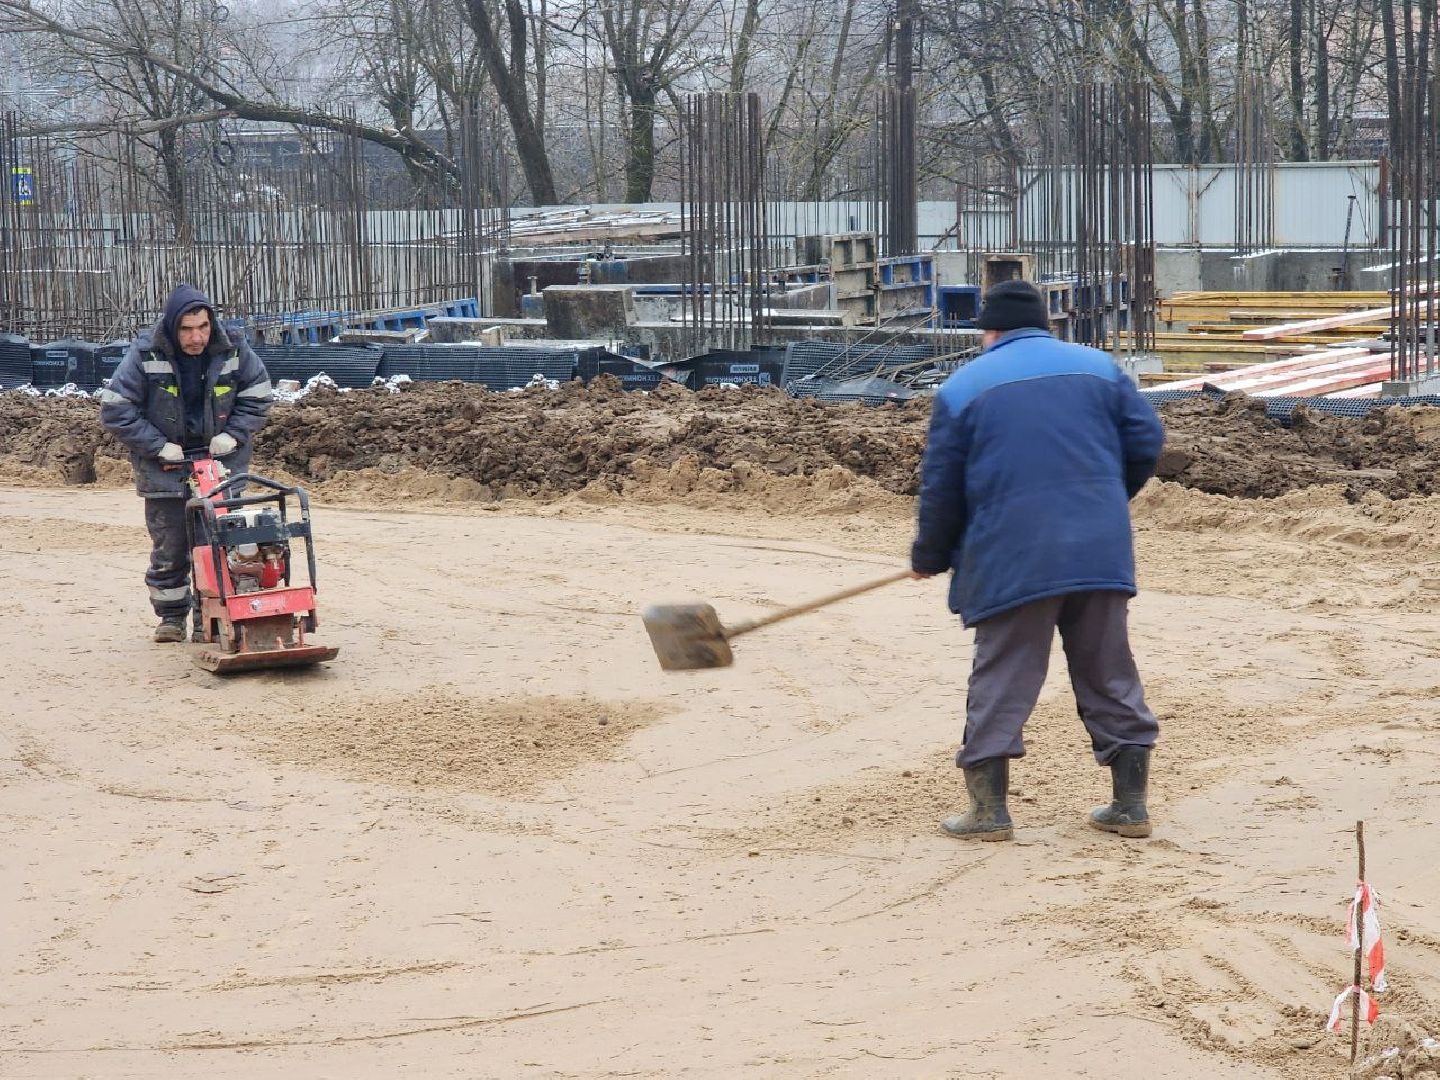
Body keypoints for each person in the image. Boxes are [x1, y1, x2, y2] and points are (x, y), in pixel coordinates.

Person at [910, 279, 1165, 842]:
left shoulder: (963, 386)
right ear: (1043, 325)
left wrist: (930, 553)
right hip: (1100, 549)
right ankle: (1130, 805)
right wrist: (1103, 498)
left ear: (989, 331)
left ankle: (988, 811)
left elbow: (942, 486)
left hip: (1013, 556)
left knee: (1004, 672)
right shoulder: (1100, 368)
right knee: (1107, 667)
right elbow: (1148, 439)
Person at [99, 284, 273, 643]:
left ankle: (208, 619)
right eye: (187, 329)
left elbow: (258, 396)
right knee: (171, 548)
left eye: (203, 327)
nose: (196, 337)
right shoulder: (146, 353)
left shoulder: (234, 350)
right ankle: (171, 617)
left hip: (220, 467)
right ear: (172, 326)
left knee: (219, 547)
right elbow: (116, 409)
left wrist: (234, 435)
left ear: (213, 324)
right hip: (165, 469)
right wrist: (158, 446)